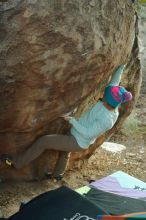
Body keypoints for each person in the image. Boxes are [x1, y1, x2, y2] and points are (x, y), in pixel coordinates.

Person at [0, 65, 132, 180]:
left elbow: (88, 134)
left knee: (44, 141)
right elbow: (115, 81)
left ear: (109, 102)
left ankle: (16, 163)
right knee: (64, 153)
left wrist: (72, 120)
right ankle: (57, 176)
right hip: (75, 134)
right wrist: (122, 66)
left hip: (78, 141)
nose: (103, 96)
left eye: (105, 97)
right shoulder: (113, 99)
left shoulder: (107, 120)